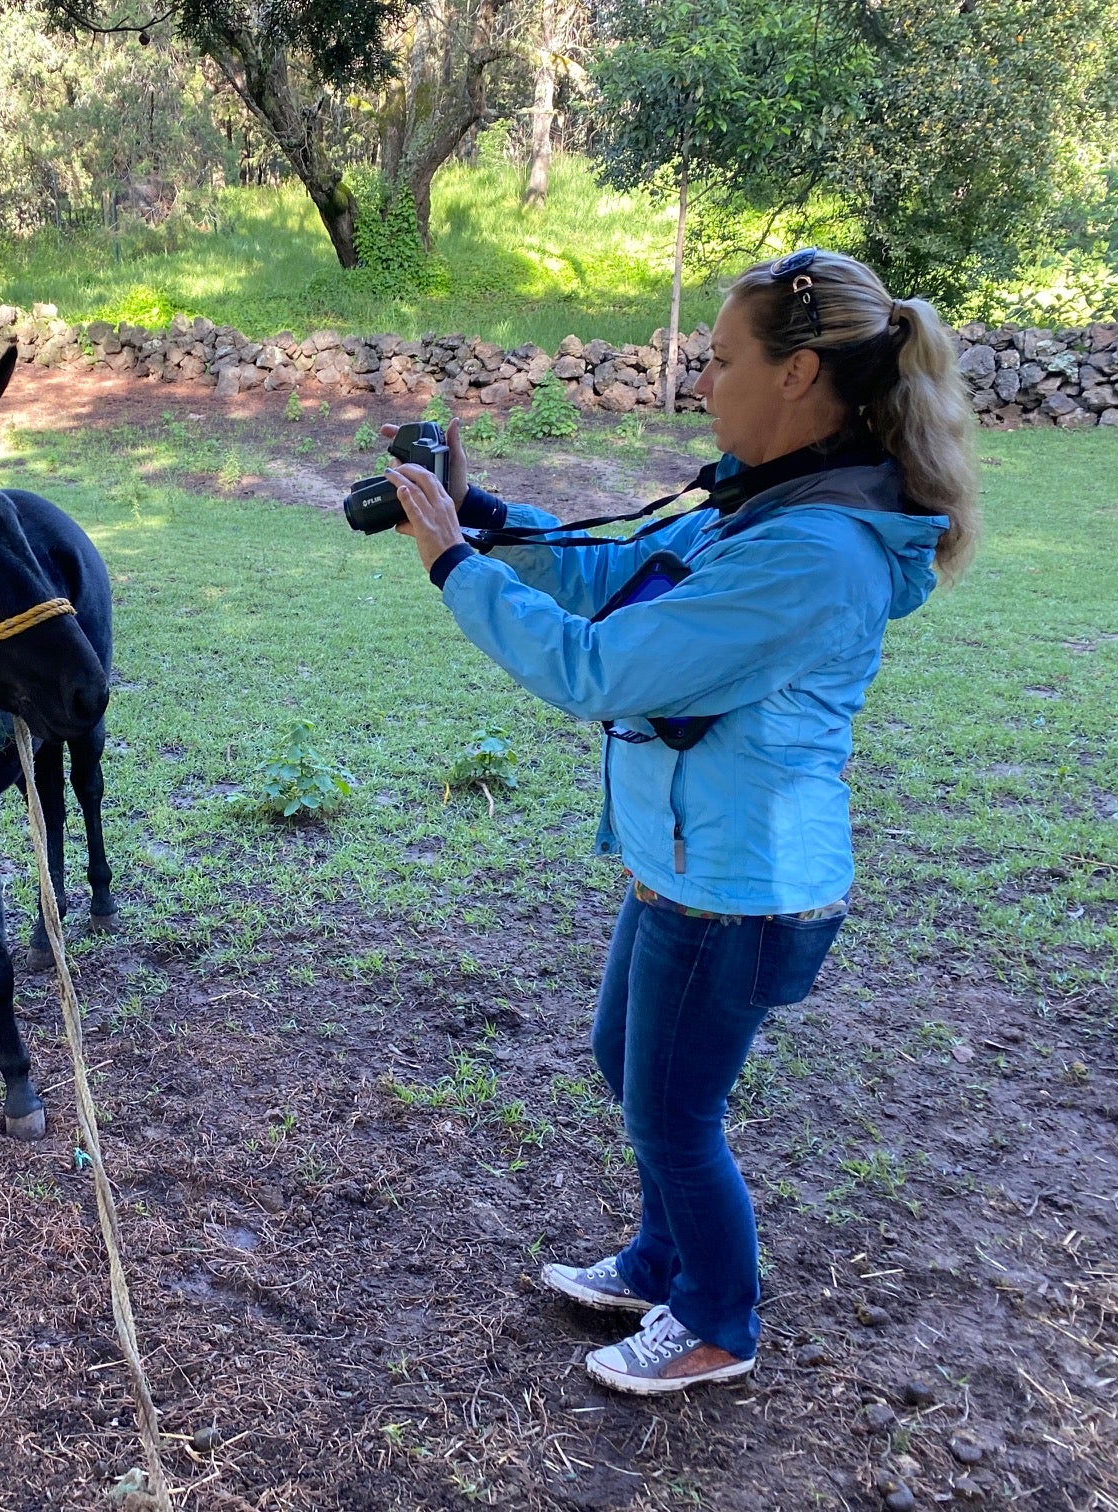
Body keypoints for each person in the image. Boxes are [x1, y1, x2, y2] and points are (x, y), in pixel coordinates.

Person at [383, 249, 979, 1394]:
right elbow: (619, 576)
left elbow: (601, 666)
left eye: (718, 360)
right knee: (631, 1067)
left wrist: (452, 562)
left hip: (742, 887)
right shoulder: (771, 506)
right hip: (689, 866)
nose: (700, 383)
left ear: (800, 373)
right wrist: (486, 517)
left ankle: (716, 1320)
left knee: (672, 1110)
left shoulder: (813, 552)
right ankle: (663, 1260)